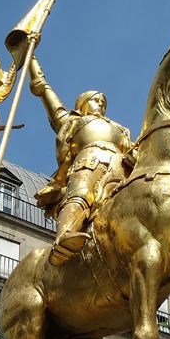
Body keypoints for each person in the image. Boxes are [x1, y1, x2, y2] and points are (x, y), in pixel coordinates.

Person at [29, 56, 135, 266]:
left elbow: (133, 150)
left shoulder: (120, 129)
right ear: (83, 104)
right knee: (82, 194)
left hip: (121, 168)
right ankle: (64, 237)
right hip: (89, 161)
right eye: (96, 101)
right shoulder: (72, 122)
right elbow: (43, 89)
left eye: (103, 103)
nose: (101, 106)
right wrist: (31, 61)